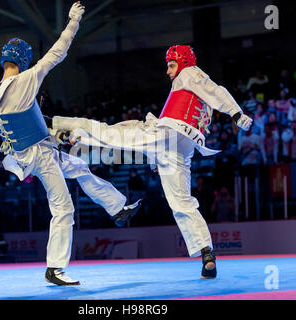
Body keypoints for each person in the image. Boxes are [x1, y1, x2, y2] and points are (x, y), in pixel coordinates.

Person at [50, 45, 253, 279]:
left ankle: (56, 124)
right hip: (180, 148)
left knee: (107, 133)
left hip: (168, 134)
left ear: (184, 61)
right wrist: (156, 157)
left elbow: (216, 90)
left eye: (171, 64)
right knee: (182, 202)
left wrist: (236, 113)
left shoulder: (190, 73)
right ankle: (207, 254)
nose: (168, 71)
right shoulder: (187, 86)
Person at [0, 2, 141, 286]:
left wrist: (59, 137)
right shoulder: (26, 80)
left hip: (25, 152)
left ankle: (117, 208)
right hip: (39, 156)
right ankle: (55, 268)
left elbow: (26, 123)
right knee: (63, 208)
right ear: (23, 60)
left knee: (79, 165)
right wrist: (73, 20)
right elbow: (60, 50)